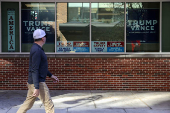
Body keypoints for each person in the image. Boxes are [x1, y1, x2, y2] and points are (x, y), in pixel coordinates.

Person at [17, 29, 59, 113]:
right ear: (43, 38)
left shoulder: (36, 49)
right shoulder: (37, 50)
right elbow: (35, 69)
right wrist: (36, 87)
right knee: (48, 104)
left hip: (33, 81)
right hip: (38, 82)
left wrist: (51, 75)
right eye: (45, 37)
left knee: (27, 104)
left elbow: (40, 67)